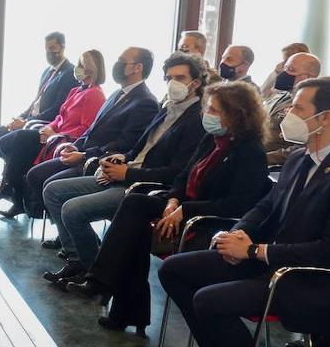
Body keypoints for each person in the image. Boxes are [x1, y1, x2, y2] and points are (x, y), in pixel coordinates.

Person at [158, 77, 330, 347]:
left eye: (298, 108)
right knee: (175, 270)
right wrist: (237, 234)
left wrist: (255, 251)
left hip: (313, 278)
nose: (287, 113)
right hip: (273, 260)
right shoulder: (299, 159)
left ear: (325, 118)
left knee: (210, 300)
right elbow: (266, 207)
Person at [62, 82, 272, 333]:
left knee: (135, 231)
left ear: (236, 115)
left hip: (209, 220)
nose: (207, 114)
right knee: (135, 205)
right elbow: (184, 176)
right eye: (208, 108)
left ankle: (110, 292)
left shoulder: (251, 152)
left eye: (215, 110)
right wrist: (174, 199)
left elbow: (238, 203)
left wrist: (185, 209)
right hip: (180, 206)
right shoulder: (212, 140)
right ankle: (103, 284)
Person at [39, 53, 208, 282]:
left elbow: (177, 172)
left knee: (72, 209)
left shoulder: (196, 120)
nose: (172, 83)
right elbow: (139, 150)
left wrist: (128, 172)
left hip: (145, 187)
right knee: (53, 191)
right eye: (168, 77)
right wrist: (117, 160)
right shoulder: (166, 108)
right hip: (126, 174)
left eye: (180, 77)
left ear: (195, 83)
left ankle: (94, 273)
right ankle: (77, 257)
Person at [10, 47, 160, 219]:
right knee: (35, 174)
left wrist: (83, 155)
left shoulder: (145, 102)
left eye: (121, 61)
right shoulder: (117, 93)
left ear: (137, 68)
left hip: (98, 160)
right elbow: (92, 129)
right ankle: (64, 227)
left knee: (49, 183)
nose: (116, 65)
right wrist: (74, 145)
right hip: (82, 152)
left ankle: (71, 233)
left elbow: (125, 143)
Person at [0, 51, 105, 213]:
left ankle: (17, 195)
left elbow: (85, 128)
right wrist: (49, 128)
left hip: (64, 141)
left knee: (19, 141)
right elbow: (61, 116)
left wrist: (53, 135)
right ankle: (18, 196)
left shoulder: (94, 94)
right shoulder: (76, 90)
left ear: (91, 69)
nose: (77, 68)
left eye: (82, 65)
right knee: (15, 148)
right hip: (53, 135)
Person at [0, 32, 77, 199]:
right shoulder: (47, 72)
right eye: (46, 49)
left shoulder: (70, 73)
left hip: (44, 125)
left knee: (7, 142)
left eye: (52, 49)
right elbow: (36, 100)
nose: (49, 53)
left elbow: (57, 109)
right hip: (30, 119)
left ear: (62, 47)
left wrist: (27, 122)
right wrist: (20, 118)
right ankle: (12, 177)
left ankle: (10, 183)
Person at [263, 52, 321, 164]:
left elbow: (301, 147)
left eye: (291, 70)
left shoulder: (312, 106)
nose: (285, 74)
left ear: (308, 77)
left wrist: (262, 158)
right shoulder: (282, 96)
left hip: (275, 166)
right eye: (285, 68)